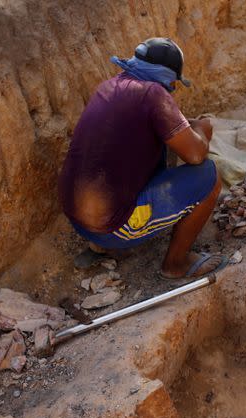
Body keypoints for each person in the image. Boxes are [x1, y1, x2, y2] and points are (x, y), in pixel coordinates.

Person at [58, 37, 227, 279]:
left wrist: (185, 127)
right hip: (112, 227)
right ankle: (176, 263)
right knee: (209, 176)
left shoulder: (109, 86)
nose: (173, 89)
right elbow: (196, 155)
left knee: (160, 144)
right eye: (173, 84)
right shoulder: (154, 94)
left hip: (78, 220)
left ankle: (102, 246)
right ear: (167, 78)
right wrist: (202, 129)